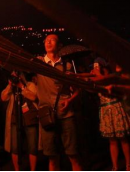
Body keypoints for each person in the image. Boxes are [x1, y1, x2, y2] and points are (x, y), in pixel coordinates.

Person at [36, 34, 83, 172]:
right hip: (47, 116)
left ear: (59, 45)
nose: (48, 42)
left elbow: (77, 90)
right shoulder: (38, 63)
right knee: (52, 157)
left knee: (73, 155)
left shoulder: (66, 66)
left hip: (66, 114)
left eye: (52, 40)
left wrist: (69, 100)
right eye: (46, 40)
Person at [93, 60, 130, 172]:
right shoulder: (97, 78)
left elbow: (108, 85)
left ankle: (129, 164)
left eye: (99, 66)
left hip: (116, 108)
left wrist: (98, 74)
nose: (97, 68)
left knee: (123, 139)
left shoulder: (111, 77)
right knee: (112, 141)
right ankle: (115, 166)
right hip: (106, 110)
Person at [1, 73, 39, 172]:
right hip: (15, 119)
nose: (15, 78)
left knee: (32, 147)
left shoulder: (30, 85)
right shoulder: (11, 87)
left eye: (16, 76)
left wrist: (22, 86)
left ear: (21, 76)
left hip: (30, 119)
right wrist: (10, 86)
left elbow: (34, 97)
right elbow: (3, 97)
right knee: (14, 147)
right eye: (12, 76)